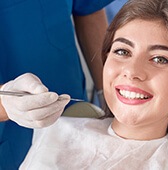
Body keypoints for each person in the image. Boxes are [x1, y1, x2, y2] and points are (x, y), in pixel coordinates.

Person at [1, 0, 168, 169]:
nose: (132, 72)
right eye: (122, 51)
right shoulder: (57, 137)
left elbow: (89, 9)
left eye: (160, 59)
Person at [0, 0, 114, 169]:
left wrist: (108, 93)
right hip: (10, 143)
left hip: (74, 116)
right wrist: (5, 103)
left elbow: (89, 7)